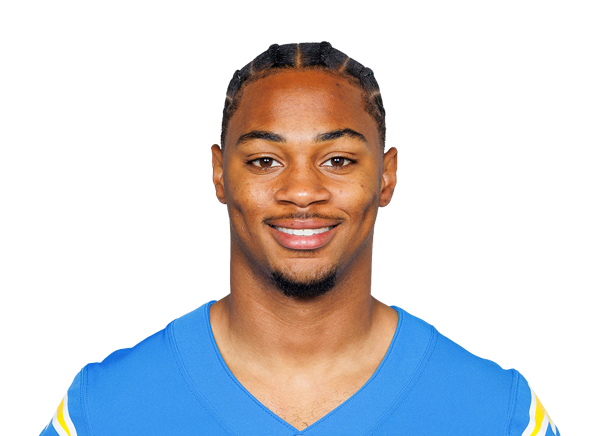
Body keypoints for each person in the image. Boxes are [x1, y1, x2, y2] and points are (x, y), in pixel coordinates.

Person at [40, 41, 559, 435]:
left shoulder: (500, 414)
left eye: (338, 160)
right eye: (265, 160)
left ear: (387, 176)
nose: (303, 191)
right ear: (219, 174)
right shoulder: (101, 411)